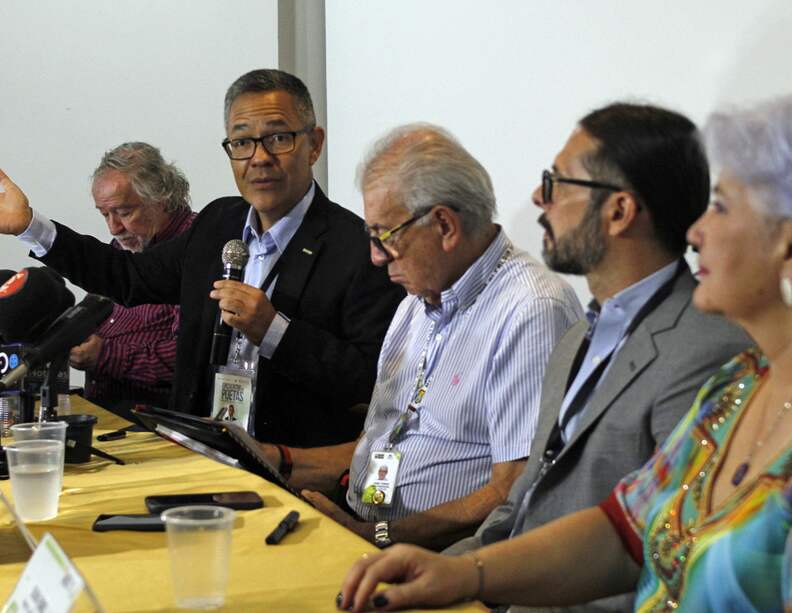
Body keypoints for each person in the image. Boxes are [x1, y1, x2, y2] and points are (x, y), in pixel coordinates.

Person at [336, 96, 792, 613]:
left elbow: (657, 567)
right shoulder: (732, 380)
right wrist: (460, 576)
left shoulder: (708, 352)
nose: (696, 231)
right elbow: (621, 528)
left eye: (723, 206)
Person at [0, 69, 404, 446]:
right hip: (198, 447)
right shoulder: (220, 223)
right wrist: (30, 226)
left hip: (290, 460)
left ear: (314, 143)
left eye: (278, 138)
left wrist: (275, 332)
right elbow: (125, 277)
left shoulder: (356, 246)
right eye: (242, 142)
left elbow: (368, 381)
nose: (259, 157)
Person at [444, 103, 752, 612]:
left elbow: (665, 560)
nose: (540, 198)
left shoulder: (706, 350)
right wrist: (448, 575)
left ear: (619, 211)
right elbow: (522, 504)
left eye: (558, 182)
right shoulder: (576, 338)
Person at [264, 124, 581, 551]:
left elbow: (515, 490)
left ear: (445, 225)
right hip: (366, 528)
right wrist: (280, 461)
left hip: (439, 560)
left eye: (384, 237)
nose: (376, 257)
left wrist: (373, 536)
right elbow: (386, 441)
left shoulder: (530, 311)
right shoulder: (419, 296)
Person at [67, 142, 196, 418]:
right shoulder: (127, 245)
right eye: (105, 214)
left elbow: (188, 357)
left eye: (124, 213)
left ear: (162, 198)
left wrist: (106, 356)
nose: (113, 228)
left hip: (158, 427)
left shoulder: (195, 248)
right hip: (104, 415)